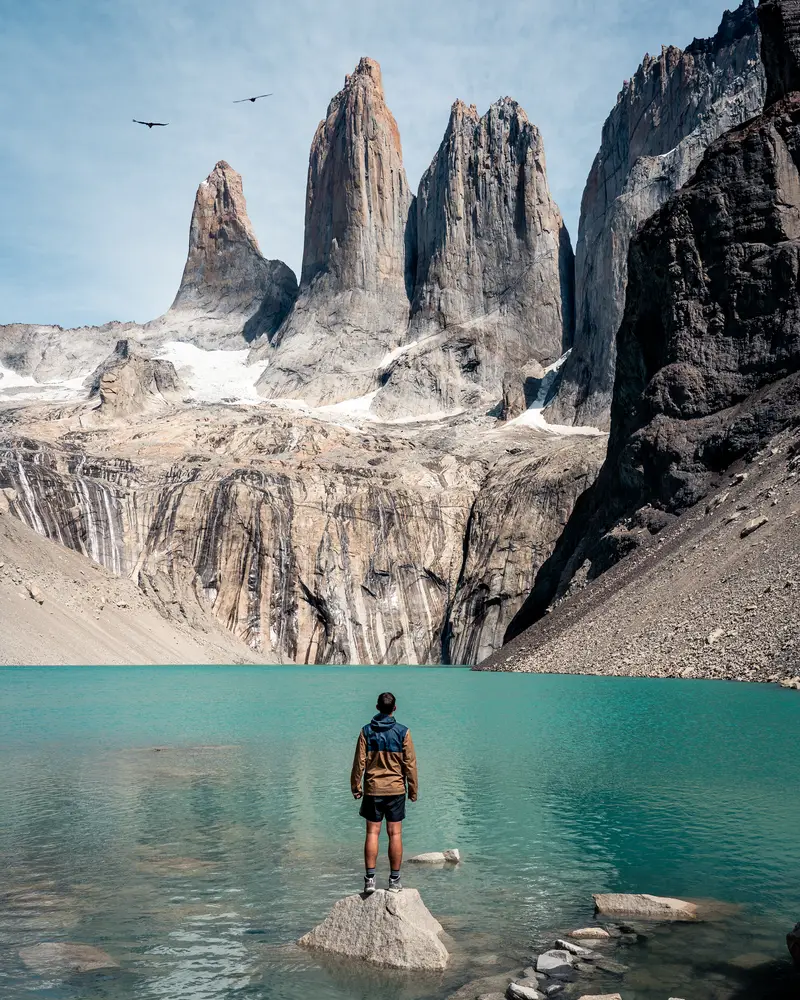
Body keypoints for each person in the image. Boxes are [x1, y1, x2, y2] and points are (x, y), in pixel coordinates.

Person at [351, 692, 418, 894]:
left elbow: (359, 763)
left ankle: (370, 880)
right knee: (395, 833)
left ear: (377, 707)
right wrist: (413, 790)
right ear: (394, 709)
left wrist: (356, 786)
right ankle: (394, 880)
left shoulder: (366, 732)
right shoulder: (403, 732)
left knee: (372, 833)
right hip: (396, 789)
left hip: (373, 789)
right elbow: (410, 764)